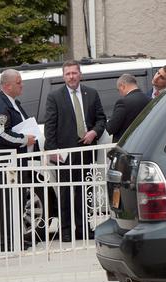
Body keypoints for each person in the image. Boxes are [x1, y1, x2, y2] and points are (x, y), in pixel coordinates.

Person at [43, 60, 106, 241]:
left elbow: (101, 119)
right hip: (64, 153)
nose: (71, 76)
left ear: (80, 74)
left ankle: (82, 228)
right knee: (65, 193)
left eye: (74, 73)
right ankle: (65, 230)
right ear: (63, 77)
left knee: (83, 191)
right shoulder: (55, 97)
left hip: (86, 150)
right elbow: (50, 126)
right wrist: (52, 150)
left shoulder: (91, 94)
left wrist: (94, 132)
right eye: (67, 74)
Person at [0, 69, 38, 251]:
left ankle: (16, 237)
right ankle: (8, 241)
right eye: (18, 82)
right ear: (7, 85)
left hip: (15, 163)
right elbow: (1, 134)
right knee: (8, 202)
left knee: (17, 200)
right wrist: (25, 139)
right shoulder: (2, 106)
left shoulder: (13, 103)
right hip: (5, 163)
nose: (22, 85)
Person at [106, 74, 151, 142]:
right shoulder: (150, 100)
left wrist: (104, 122)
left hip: (126, 145)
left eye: (118, 90)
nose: (120, 93)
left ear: (122, 86)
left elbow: (111, 128)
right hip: (145, 142)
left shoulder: (122, 102)